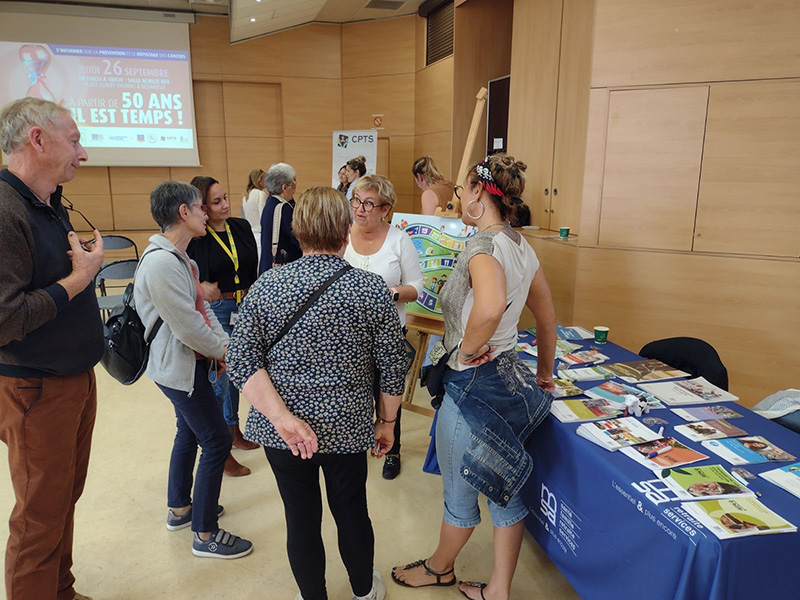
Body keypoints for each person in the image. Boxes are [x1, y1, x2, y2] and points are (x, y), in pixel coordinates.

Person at [227, 186, 407, 600]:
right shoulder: (371, 289)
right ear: (346, 231)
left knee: (300, 518)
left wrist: (282, 418)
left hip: (283, 433)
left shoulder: (267, 285)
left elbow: (241, 361)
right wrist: (388, 423)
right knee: (351, 511)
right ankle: (363, 591)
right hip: (347, 425)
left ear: (297, 230)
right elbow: (393, 366)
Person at [391, 153, 557, 600]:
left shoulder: (482, 247)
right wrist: (544, 374)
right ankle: (498, 589)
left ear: (480, 193)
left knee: (460, 495)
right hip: (510, 379)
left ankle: (439, 568)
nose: (459, 198)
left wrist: (462, 354)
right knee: (504, 488)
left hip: (474, 387)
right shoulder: (522, 246)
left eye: (463, 191)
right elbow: (545, 319)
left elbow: (489, 307)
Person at [0, 97, 105, 600]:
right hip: (35, 385)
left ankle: (59, 591)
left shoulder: (47, 203)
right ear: (37, 139)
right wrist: (79, 280)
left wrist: (76, 272)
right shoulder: (4, 211)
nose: (82, 153)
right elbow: (5, 319)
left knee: (63, 498)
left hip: (71, 379)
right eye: (75, 140)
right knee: (39, 515)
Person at [134, 180, 253, 560]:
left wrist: (227, 349)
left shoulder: (183, 259)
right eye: (201, 206)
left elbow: (204, 316)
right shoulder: (160, 263)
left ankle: (181, 509)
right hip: (177, 369)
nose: (207, 212)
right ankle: (205, 532)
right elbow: (188, 327)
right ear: (183, 213)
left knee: (188, 432)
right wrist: (227, 352)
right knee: (217, 440)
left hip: (190, 365)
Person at [344, 174, 423, 480]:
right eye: (356, 201)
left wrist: (390, 294)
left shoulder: (399, 240)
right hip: (348, 335)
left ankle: (393, 450)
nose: (359, 209)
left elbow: (417, 287)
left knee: (387, 393)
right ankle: (355, 443)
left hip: (388, 334)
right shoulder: (342, 234)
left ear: (385, 209)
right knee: (352, 392)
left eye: (368, 203)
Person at [188, 176, 260, 478]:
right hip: (218, 309)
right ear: (202, 207)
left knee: (238, 373)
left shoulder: (240, 227)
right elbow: (191, 279)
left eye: (226, 198)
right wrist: (201, 288)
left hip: (245, 307)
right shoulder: (197, 236)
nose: (226, 205)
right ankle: (220, 448)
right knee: (220, 377)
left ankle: (233, 430)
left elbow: (252, 267)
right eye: (217, 202)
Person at [259, 162, 301, 273]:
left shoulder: (270, 202)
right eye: (293, 183)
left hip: (268, 266)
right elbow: (297, 239)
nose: (295, 187)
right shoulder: (284, 208)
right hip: (282, 269)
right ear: (284, 187)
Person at [241, 168, 267, 261]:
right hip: (260, 234)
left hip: (250, 234)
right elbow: (263, 217)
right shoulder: (261, 194)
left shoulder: (245, 196)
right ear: (259, 180)